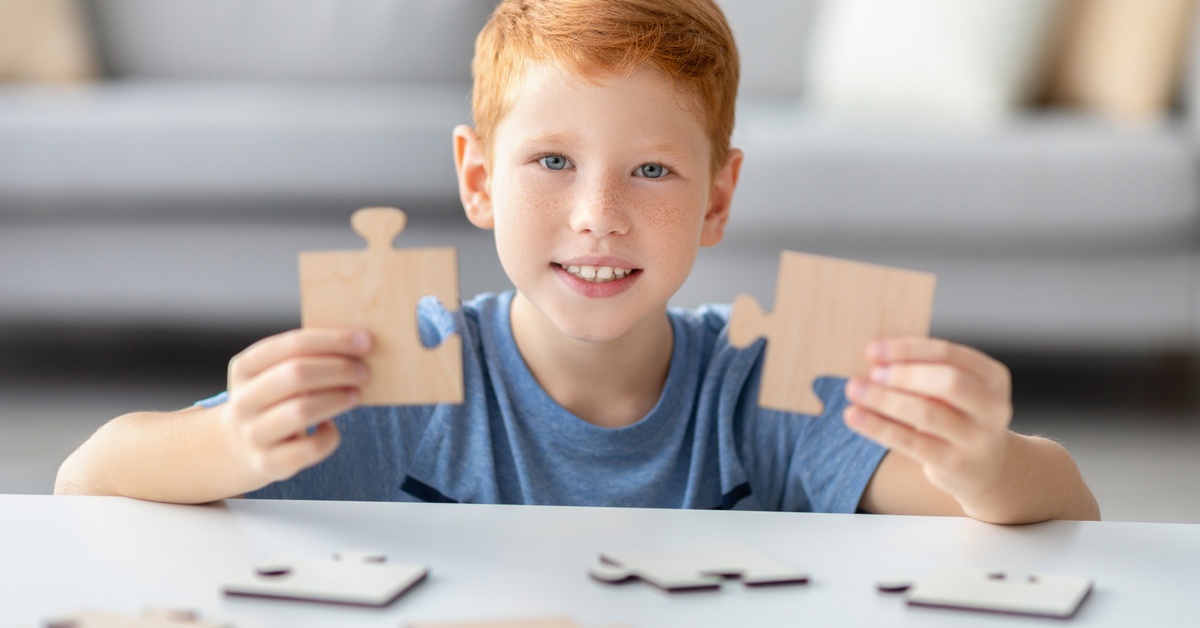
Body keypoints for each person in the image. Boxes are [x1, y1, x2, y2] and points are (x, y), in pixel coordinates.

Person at [56, 0, 1099, 524]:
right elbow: (89, 476)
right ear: (478, 181)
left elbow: (1067, 504)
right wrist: (235, 442)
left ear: (718, 199)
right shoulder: (404, 378)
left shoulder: (769, 390)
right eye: (552, 161)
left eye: (652, 170)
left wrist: (980, 462)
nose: (599, 216)